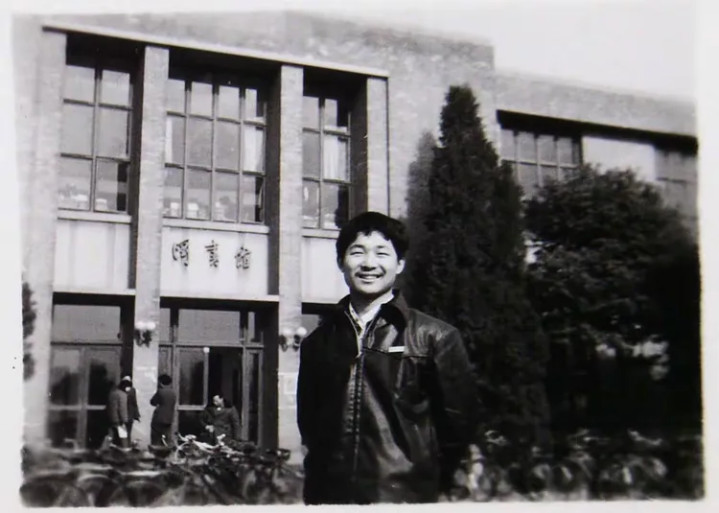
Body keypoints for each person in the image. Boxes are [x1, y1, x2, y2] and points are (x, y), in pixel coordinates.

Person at [296, 211, 479, 504]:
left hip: (404, 496)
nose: (369, 264)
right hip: (328, 497)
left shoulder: (435, 337)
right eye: (357, 252)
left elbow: (457, 428)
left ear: (400, 264)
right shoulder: (317, 344)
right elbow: (309, 425)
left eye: (382, 253)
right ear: (341, 262)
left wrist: (427, 483)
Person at [150, 374, 177, 447]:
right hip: (169, 418)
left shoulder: (160, 392)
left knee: (156, 437)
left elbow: (152, 402)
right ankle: (166, 449)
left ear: (161, 382)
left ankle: (156, 450)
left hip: (159, 418)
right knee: (167, 436)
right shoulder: (173, 393)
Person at [106, 378, 130, 448]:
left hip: (110, 417)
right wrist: (124, 420)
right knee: (123, 437)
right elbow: (122, 409)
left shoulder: (112, 393)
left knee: (110, 436)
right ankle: (125, 450)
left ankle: (106, 449)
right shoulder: (122, 395)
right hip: (119, 420)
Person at [121, 376, 141, 442]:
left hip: (124, 413)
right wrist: (137, 415)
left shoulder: (121, 390)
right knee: (128, 430)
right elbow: (134, 403)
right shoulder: (132, 390)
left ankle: (124, 443)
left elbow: (134, 403)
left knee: (123, 431)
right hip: (129, 413)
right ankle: (127, 443)